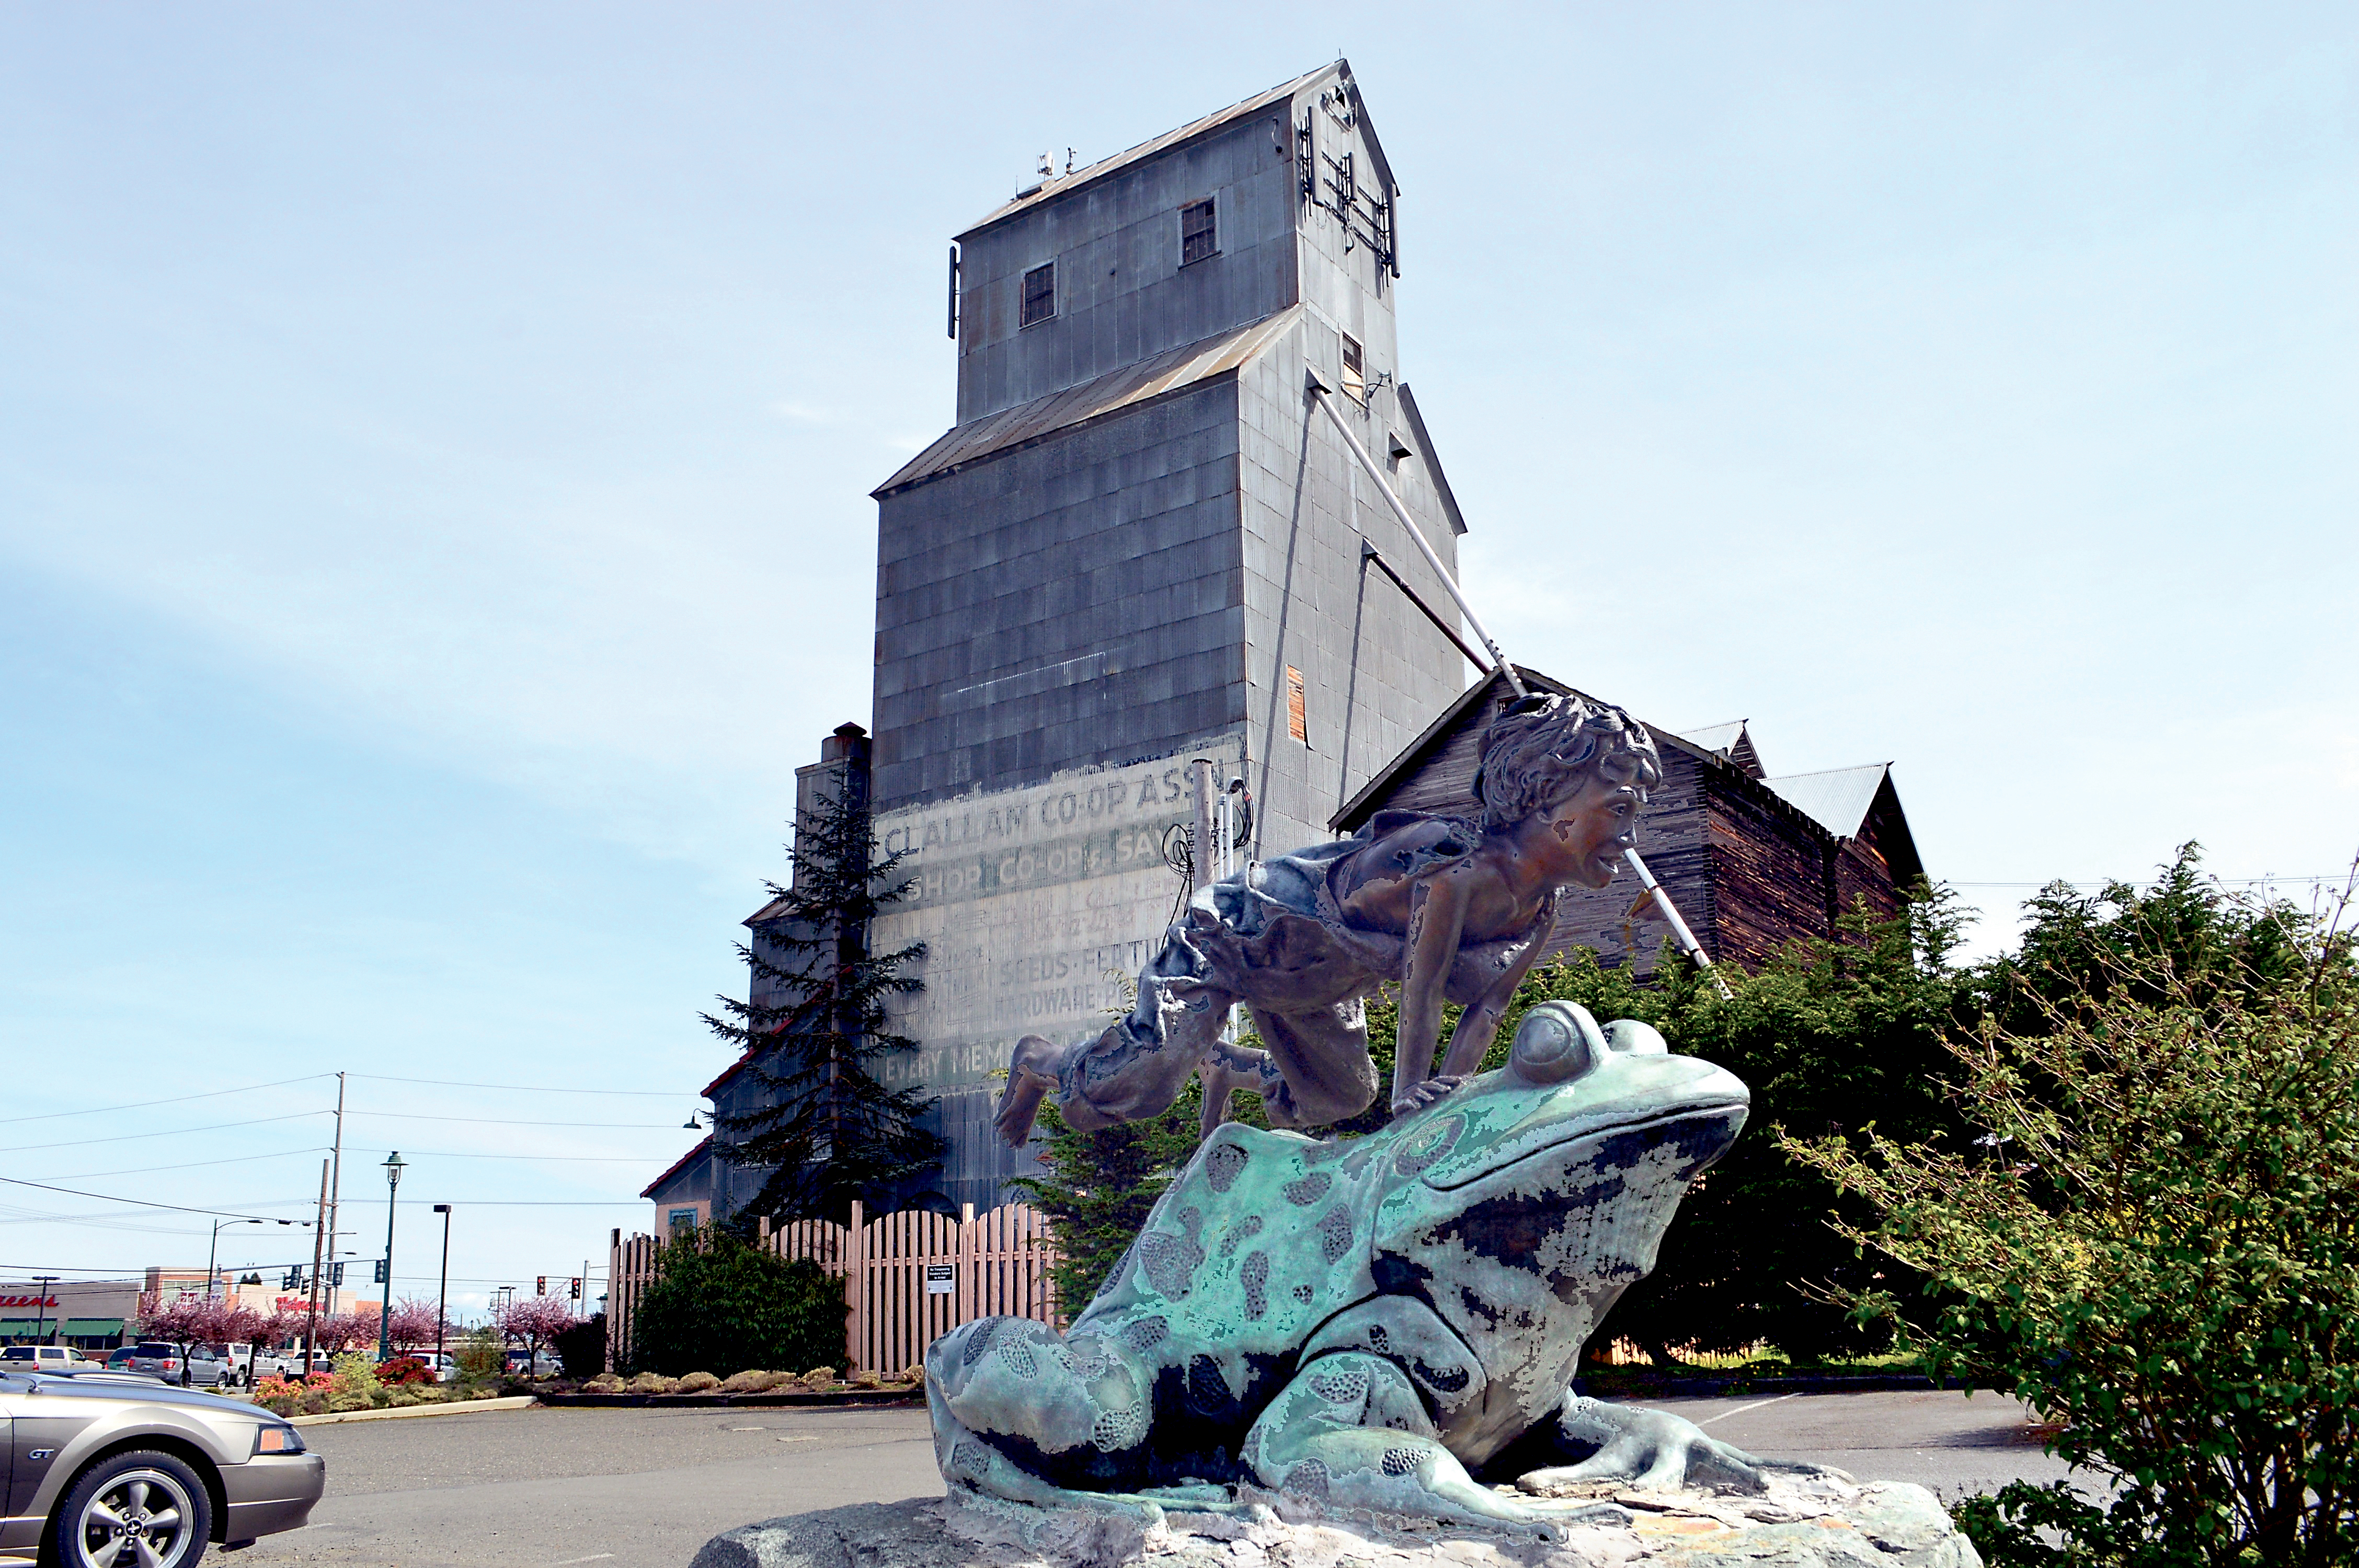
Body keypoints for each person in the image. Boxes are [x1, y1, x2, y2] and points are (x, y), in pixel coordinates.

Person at [993, 691, 1663, 1146]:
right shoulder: (1454, 862)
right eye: (1622, 810)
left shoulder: (1539, 909)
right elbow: (1424, 987)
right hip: (1248, 933)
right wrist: (1411, 1103)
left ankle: (1229, 1065)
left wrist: (1448, 1098)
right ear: (1552, 795)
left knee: (1344, 1095)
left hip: (1322, 979)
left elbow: (1483, 1013)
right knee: (1143, 1082)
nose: (1629, 838)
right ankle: (1041, 1062)